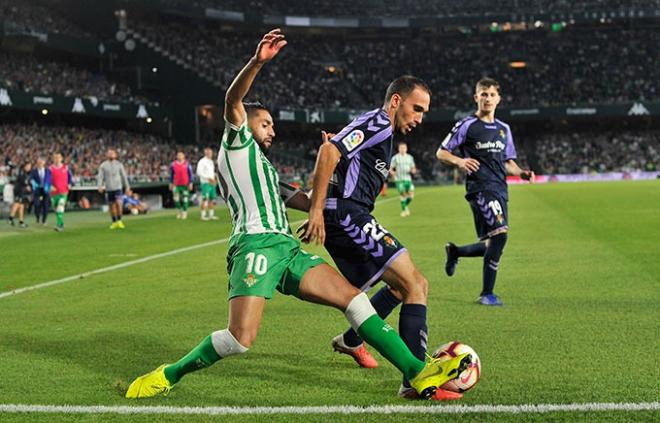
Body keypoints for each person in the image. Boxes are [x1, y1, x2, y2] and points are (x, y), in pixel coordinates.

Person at [125, 29, 469, 402]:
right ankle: (169, 374)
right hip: (254, 245)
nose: (272, 130)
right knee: (240, 340)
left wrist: (329, 178)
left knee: (355, 301)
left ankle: (418, 375)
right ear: (247, 123)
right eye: (266, 123)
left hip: (287, 249)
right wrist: (258, 62)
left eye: (273, 124)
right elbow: (233, 99)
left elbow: (302, 199)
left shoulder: (267, 170)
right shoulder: (235, 143)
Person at [302, 75, 443, 399]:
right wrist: (316, 211)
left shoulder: (381, 131)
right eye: (416, 109)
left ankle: (352, 340)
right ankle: (416, 378)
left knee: (397, 286)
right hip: (348, 215)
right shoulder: (379, 122)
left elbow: (338, 156)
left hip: (351, 214)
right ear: (396, 101)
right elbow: (328, 151)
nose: (419, 118)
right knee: (416, 284)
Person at [436, 78, 534, 306]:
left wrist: (521, 173)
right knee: (500, 235)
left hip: (500, 188)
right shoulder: (467, 125)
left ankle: (456, 252)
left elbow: (508, 161)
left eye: (491, 94)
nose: (487, 98)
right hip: (480, 188)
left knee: (494, 243)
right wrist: (460, 161)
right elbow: (441, 152)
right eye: (483, 94)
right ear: (476, 98)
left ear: (498, 99)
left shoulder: (504, 129)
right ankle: (486, 294)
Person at [98, 148, 131, 230]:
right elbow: (100, 176)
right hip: (109, 188)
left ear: (115, 155)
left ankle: (119, 220)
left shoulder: (119, 164)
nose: (111, 154)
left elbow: (124, 176)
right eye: (109, 153)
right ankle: (114, 222)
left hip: (118, 188)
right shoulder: (103, 165)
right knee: (112, 206)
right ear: (107, 155)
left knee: (119, 204)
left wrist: (127, 186)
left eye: (112, 153)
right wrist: (100, 185)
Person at [390, 142, 417, 217]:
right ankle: (404, 211)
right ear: (399, 149)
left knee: (411, 196)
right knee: (404, 194)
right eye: (401, 148)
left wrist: (413, 171)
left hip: (408, 179)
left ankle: (405, 207)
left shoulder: (410, 157)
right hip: (399, 179)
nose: (402, 149)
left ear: (406, 149)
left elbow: (413, 167)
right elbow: (390, 168)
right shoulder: (395, 158)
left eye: (404, 148)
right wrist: (393, 173)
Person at [49, 153, 73, 232]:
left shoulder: (65, 167)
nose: (57, 159)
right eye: (55, 157)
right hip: (54, 193)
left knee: (60, 207)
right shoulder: (50, 168)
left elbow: (70, 177)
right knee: (56, 209)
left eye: (58, 157)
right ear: (53, 159)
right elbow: (47, 179)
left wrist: (69, 184)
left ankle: (59, 226)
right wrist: (50, 186)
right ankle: (61, 222)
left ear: (61, 158)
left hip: (63, 191)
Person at [196, 147, 219, 221]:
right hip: (205, 183)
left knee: (211, 199)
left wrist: (214, 177)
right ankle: (203, 216)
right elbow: (199, 172)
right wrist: (208, 178)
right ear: (205, 153)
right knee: (205, 198)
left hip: (212, 183)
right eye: (208, 153)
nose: (210, 154)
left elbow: (211, 172)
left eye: (211, 153)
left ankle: (211, 215)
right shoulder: (202, 161)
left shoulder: (211, 161)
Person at [8, 162, 32, 228]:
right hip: (19, 190)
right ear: (25, 166)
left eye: (30, 166)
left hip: (21, 190)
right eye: (28, 166)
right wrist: (27, 186)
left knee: (21, 205)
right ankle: (10, 218)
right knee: (17, 203)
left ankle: (21, 222)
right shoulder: (22, 172)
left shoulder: (24, 172)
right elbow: (23, 181)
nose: (29, 168)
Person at [170, 151, 193, 219]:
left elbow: (190, 175)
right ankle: (179, 210)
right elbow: (171, 175)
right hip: (176, 185)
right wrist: (171, 183)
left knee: (185, 199)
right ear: (177, 156)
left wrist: (190, 183)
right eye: (178, 155)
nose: (179, 156)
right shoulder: (173, 164)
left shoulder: (187, 164)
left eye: (181, 155)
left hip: (185, 185)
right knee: (176, 199)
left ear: (183, 156)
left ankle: (184, 212)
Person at [29, 158, 51, 225]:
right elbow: (30, 178)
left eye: (41, 162)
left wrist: (48, 185)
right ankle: (37, 217)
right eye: (38, 162)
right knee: (37, 204)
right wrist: (32, 182)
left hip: (45, 189)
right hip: (37, 190)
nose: (40, 164)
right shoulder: (34, 171)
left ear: (44, 163)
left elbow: (50, 179)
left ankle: (44, 220)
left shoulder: (47, 171)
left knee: (45, 205)